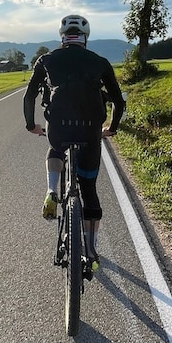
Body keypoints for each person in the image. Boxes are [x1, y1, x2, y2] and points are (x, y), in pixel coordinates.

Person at [23, 14, 125, 267]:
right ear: (85, 37)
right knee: (88, 189)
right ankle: (90, 251)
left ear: (62, 35)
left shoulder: (46, 59)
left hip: (59, 129)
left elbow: (29, 96)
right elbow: (118, 101)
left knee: (55, 146)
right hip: (91, 132)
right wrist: (111, 127)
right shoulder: (100, 62)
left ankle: (51, 191)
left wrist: (31, 125)